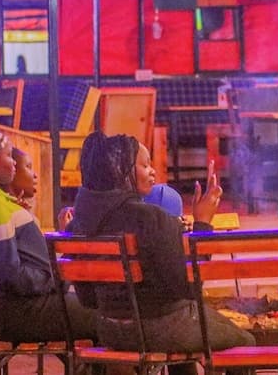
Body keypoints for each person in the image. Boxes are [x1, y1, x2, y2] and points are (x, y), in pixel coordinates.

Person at [65, 132, 255, 355]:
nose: (153, 171)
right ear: (120, 171)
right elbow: (189, 289)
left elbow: (88, 299)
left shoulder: (77, 225)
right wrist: (202, 223)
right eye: (145, 165)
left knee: (197, 321)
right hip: (160, 330)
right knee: (245, 341)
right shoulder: (152, 219)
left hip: (109, 330)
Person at [0, 111, 96, 342]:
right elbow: (9, 275)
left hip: (17, 305)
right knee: (110, 315)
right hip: (14, 310)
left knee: (103, 307)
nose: (13, 164)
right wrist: (55, 278)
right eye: (9, 156)